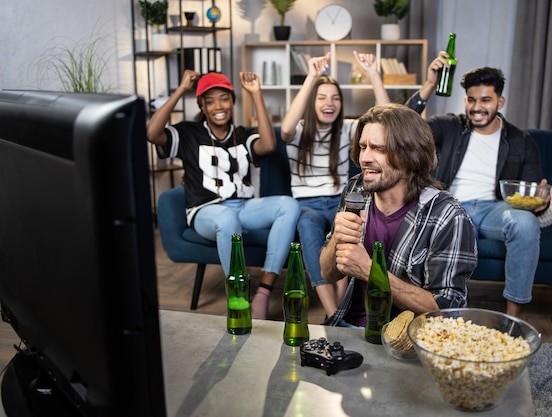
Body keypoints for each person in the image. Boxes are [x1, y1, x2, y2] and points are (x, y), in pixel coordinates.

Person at [405, 52, 550, 317]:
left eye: (485, 99)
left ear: (500, 101)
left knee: (526, 223)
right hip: (451, 205)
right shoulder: (450, 126)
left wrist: (540, 201)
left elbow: (529, 193)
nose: (476, 107)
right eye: (471, 100)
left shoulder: (521, 140)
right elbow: (405, 127)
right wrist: (429, 85)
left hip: (495, 209)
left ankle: (511, 318)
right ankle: (428, 310)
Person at [147, 70, 300, 320]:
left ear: (233, 102)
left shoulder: (242, 134)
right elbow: (152, 134)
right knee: (227, 219)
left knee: (288, 206)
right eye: (210, 101)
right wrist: (181, 90)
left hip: (243, 206)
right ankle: (238, 298)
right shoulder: (189, 133)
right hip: (206, 212)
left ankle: (262, 292)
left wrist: (256, 94)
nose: (219, 106)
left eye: (224, 98)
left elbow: (269, 145)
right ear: (203, 107)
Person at [319, 103, 477, 327]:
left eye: (378, 149)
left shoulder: (447, 216)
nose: (365, 157)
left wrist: (371, 272)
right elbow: (327, 274)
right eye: (363, 147)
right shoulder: (356, 190)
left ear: (410, 155)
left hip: (405, 343)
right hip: (346, 327)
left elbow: (448, 312)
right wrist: (337, 240)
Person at [280, 51, 390, 321]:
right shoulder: (299, 131)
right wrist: (312, 77)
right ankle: (333, 315)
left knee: (350, 225)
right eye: (322, 97)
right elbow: (284, 130)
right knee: (307, 227)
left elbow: (388, 120)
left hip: (340, 199)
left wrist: (374, 74)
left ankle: (342, 306)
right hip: (307, 204)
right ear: (311, 103)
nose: (330, 103)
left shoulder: (349, 130)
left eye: (335, 98)